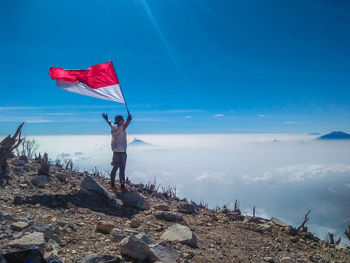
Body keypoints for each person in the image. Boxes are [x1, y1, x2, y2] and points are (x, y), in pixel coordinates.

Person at [102, 112, 132, 190]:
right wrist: (129, 120)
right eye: (122, 120)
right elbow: (126, 125)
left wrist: (106, 119)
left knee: (114, 168)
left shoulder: (113, 127)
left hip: (115, 152)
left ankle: (112, 185)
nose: (123, 120)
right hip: (122, 152)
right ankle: (122, 187)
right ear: (120, 121)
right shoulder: (121, 128)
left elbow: (110, 123)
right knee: (122, 170)